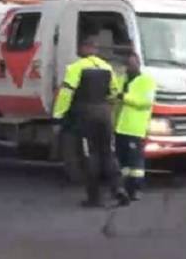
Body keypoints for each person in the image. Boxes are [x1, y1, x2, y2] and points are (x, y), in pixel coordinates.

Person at [53, 37, 130, 208]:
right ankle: (119, 189)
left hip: (86, 114)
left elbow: (67, 92)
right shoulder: (107, 67)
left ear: (85, 48)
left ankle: (94, 197)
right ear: (96, 49)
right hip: (104, 113)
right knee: (108, 152)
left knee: (91, 154)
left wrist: (58, 114)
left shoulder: (76, 67)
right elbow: (114, 92)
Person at [115, 53, 156, 201]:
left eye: (132, 63)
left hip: (135, 128)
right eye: (127, 64)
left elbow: (145, 102)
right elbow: (114, 96)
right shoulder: (122, 80)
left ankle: (136, 189)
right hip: (119, 127)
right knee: (123, 162)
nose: (129, 67)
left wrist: (124, 97)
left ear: (138, 64)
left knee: (136, 163)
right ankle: (124, 188)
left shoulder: (147, 81)